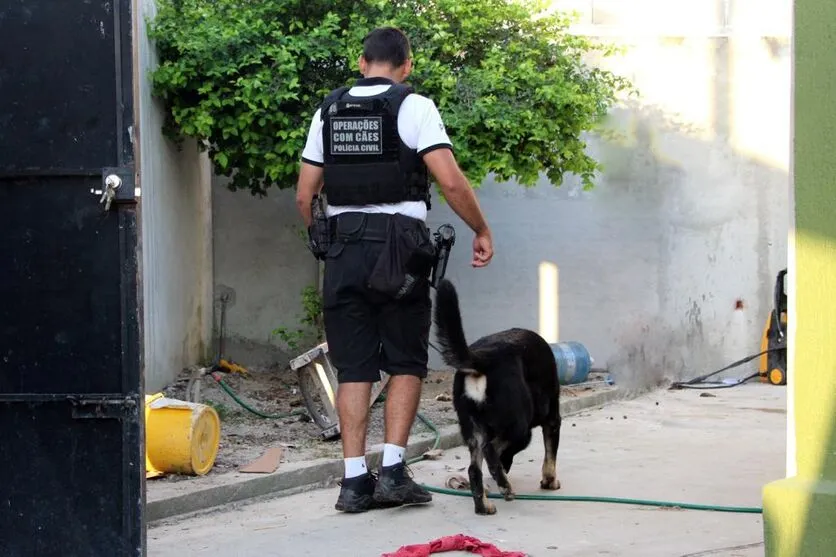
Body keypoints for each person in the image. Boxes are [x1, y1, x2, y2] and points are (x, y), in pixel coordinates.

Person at [295, 26, 494, 513]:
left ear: (362, 63)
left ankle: (353, 483)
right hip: (399, 247)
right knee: (406, 358)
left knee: (354, 365)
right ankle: (393, 473)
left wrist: (325, 236)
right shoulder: (415, 106)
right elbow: (450, 182)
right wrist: (481, 229)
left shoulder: (329, 110)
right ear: (406, 67)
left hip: (342, 247)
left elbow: (305, 195)